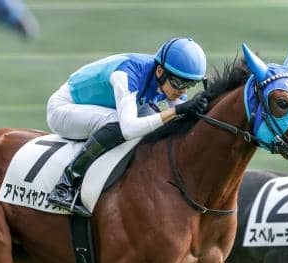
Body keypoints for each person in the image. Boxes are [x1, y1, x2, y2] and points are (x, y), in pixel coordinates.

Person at [46, 37, 209, 217]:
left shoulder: (168, 80)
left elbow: (180, 120)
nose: (183, 91)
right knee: (119, 123)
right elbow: (129, 129)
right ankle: (65, 184)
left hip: (103, 109)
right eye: (179, 83)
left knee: (156, 126)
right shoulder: (127, 74)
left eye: (190, 85)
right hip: (63, 109)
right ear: (160, 71)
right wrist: (177, 110)